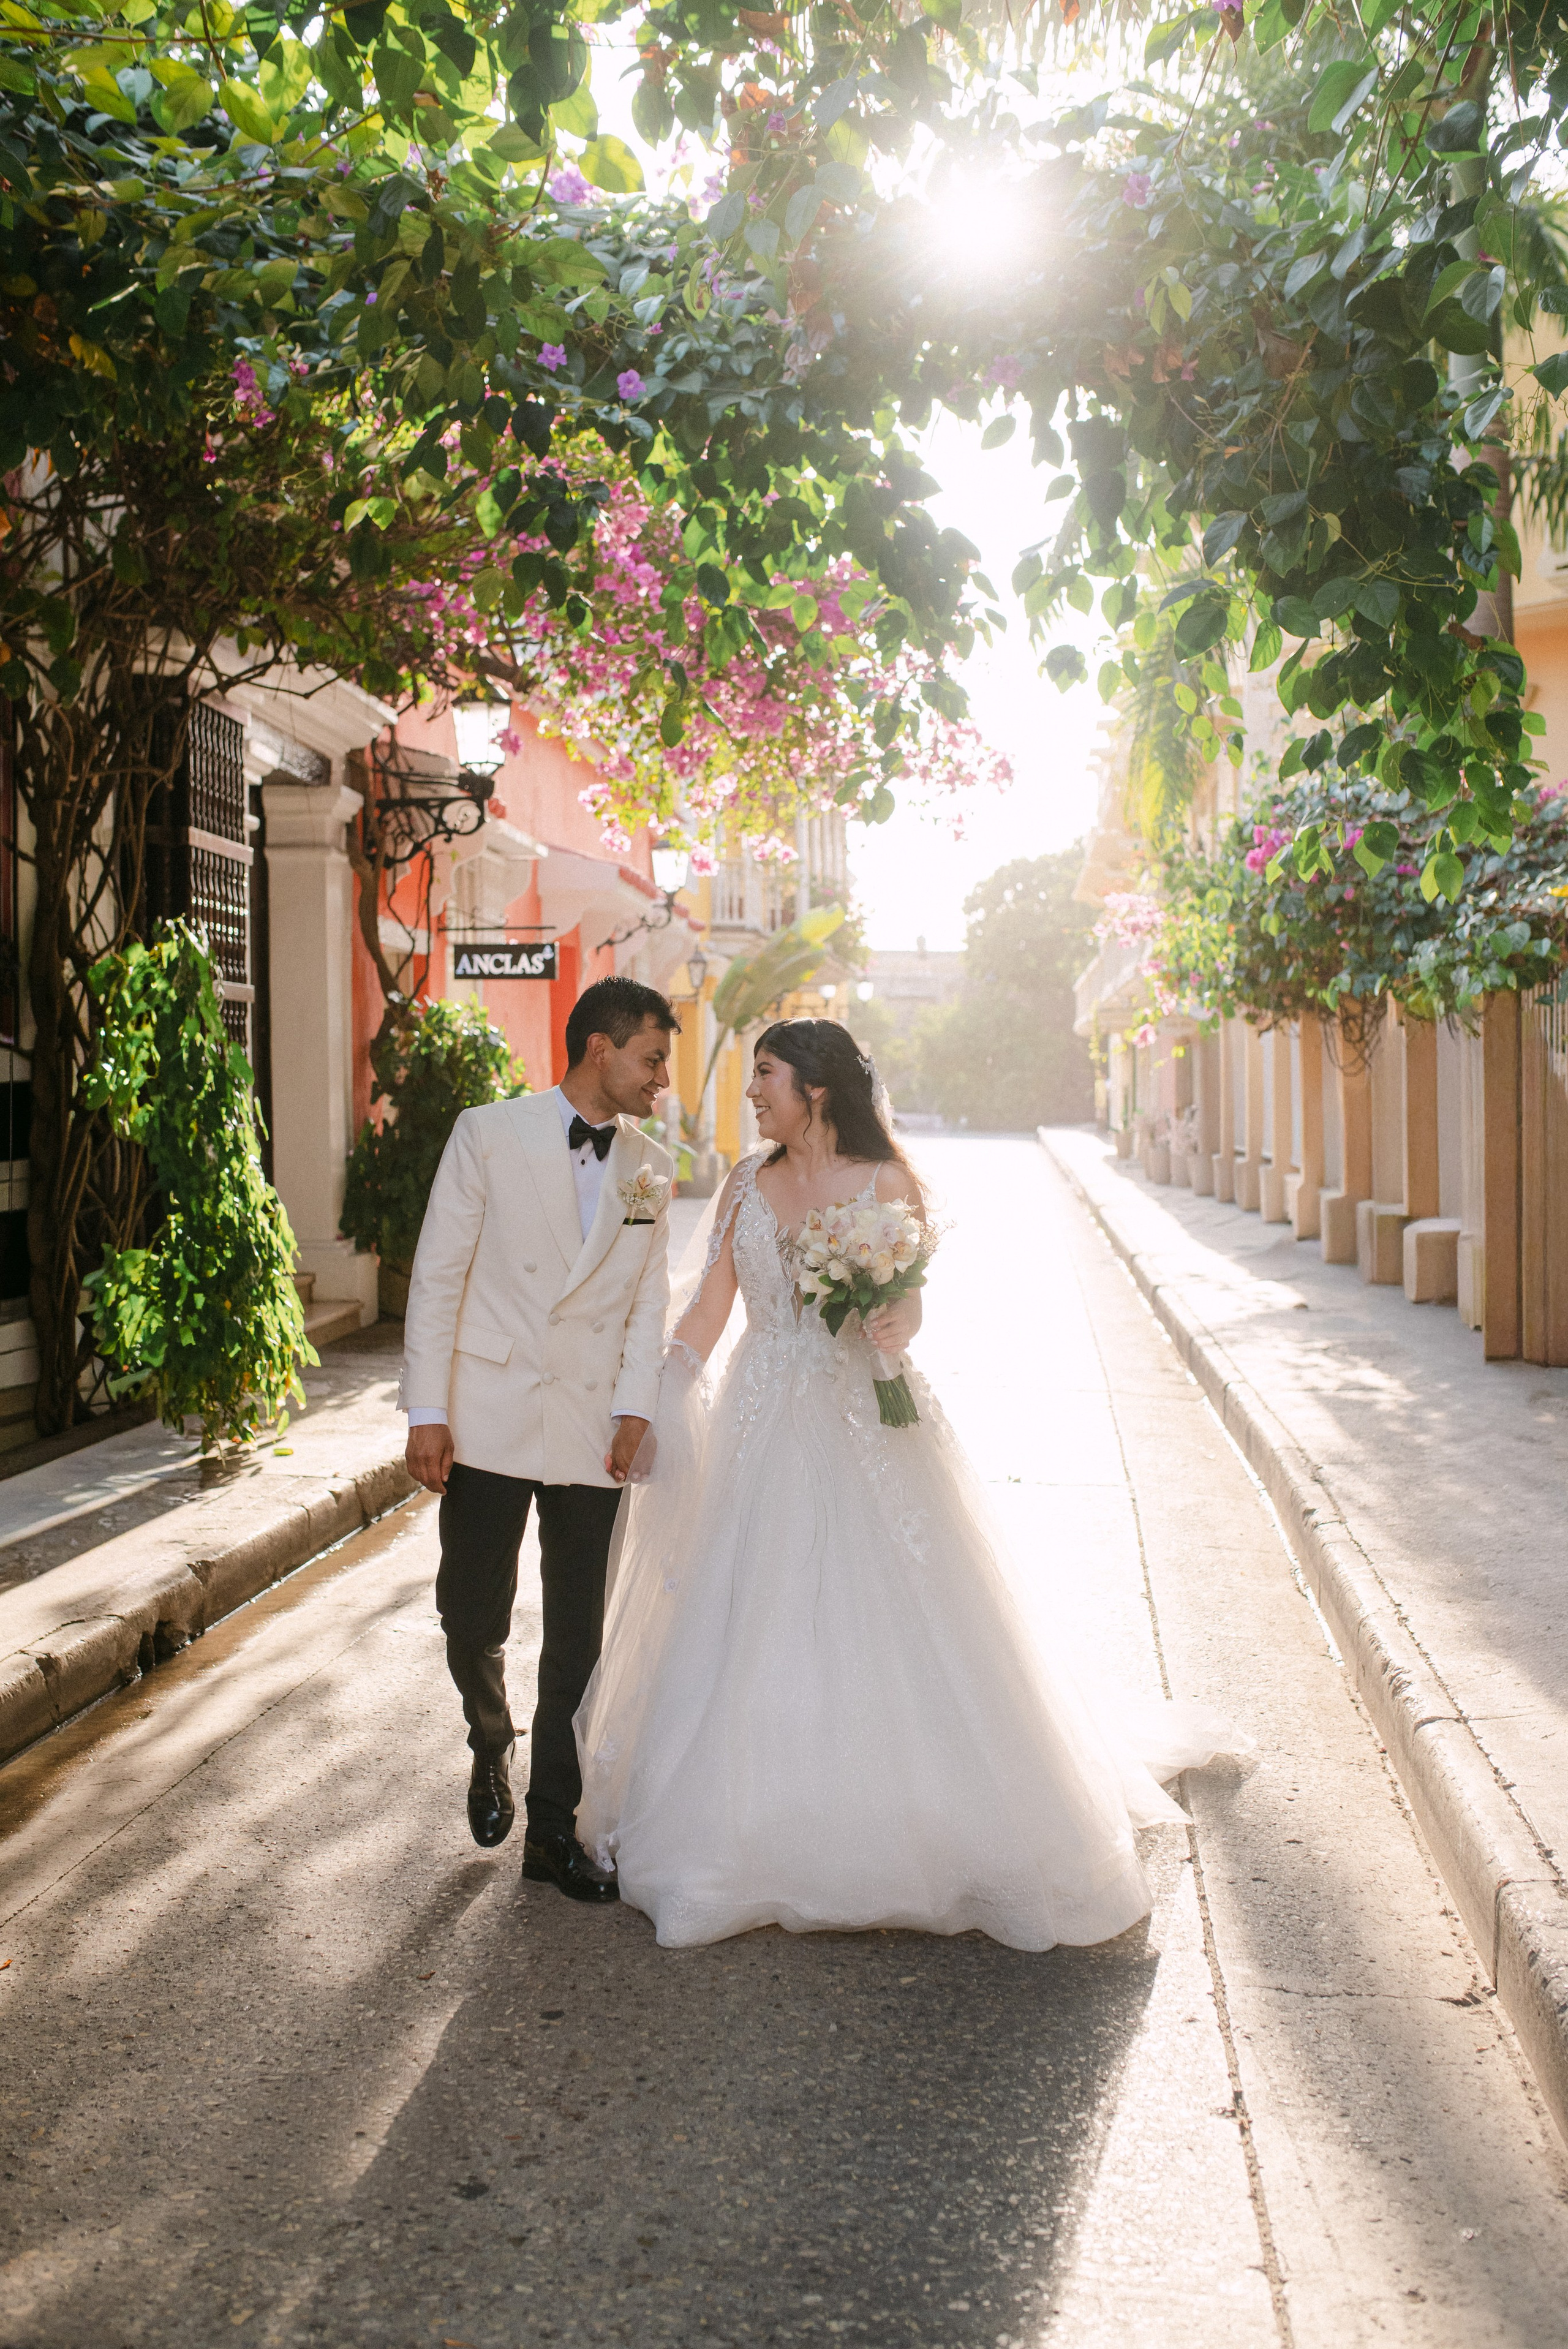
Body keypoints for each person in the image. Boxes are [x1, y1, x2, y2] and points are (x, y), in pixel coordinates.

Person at [574, 1017, 1245, 1950]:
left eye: (764, 1075)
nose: (751, 1092)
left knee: (888, 1605)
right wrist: (659, 1394)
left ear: (814, 1087)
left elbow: (910, 1295)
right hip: (762, 1414)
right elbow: (709, 1306)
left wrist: (899, 1322)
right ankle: (754, 1820)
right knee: (754, 1606)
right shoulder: (742, 1185)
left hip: (864, 1415)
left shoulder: (886, 1181)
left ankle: (913, 1819)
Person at [401, 975, 677, 1898]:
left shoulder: (651, 1165)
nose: (660, 1079)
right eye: (651, 1058)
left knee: (579, 1640)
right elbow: (440, 1274)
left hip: (593, 1425)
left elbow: (646, 1301)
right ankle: (490, 1739)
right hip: (486, 1417)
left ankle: (551, 1833)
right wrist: (426, 1411)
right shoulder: (488, 1132)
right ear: (600, 1047)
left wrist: (637, 1405)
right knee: (470, 1613)